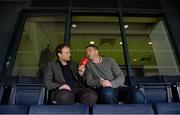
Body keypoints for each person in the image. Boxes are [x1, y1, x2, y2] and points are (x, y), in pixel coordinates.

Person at [79, 44, 145, 104]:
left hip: (119, 87)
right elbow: (89, 82)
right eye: (86, 52)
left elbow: (120, 76)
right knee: (108, 93)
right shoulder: (88, 66)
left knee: (137, 94)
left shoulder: (110, 60)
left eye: (89, 50)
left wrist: (111, 84)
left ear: (96, 51)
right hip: (104, 89)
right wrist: (100, 81)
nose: (87, 53)